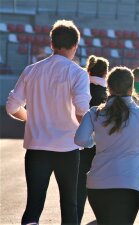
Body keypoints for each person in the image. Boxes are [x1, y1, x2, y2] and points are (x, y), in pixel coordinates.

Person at [6, 20, 91, 224]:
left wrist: (31, 118)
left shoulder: (31, 70)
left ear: (51, 44)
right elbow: (82, 111)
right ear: (75, 46)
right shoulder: (78, 73)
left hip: (36, 147)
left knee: (33, 205)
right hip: (67, 148)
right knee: (69, 205)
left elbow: (11, 107)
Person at [74, 66, 139, 225]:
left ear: (108, 87)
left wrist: (95, 141)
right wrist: (135, 145)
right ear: (132, 88)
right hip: (129, 184)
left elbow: (79, 140)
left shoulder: (94, 112)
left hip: (98, 184)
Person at [77, 55, 109, 223]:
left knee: (78, 190)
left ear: (88, 70)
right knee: (103, 188)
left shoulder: (79, 88)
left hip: (79, 145)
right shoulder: (109, 95)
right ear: (106, 73)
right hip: (103, 147)